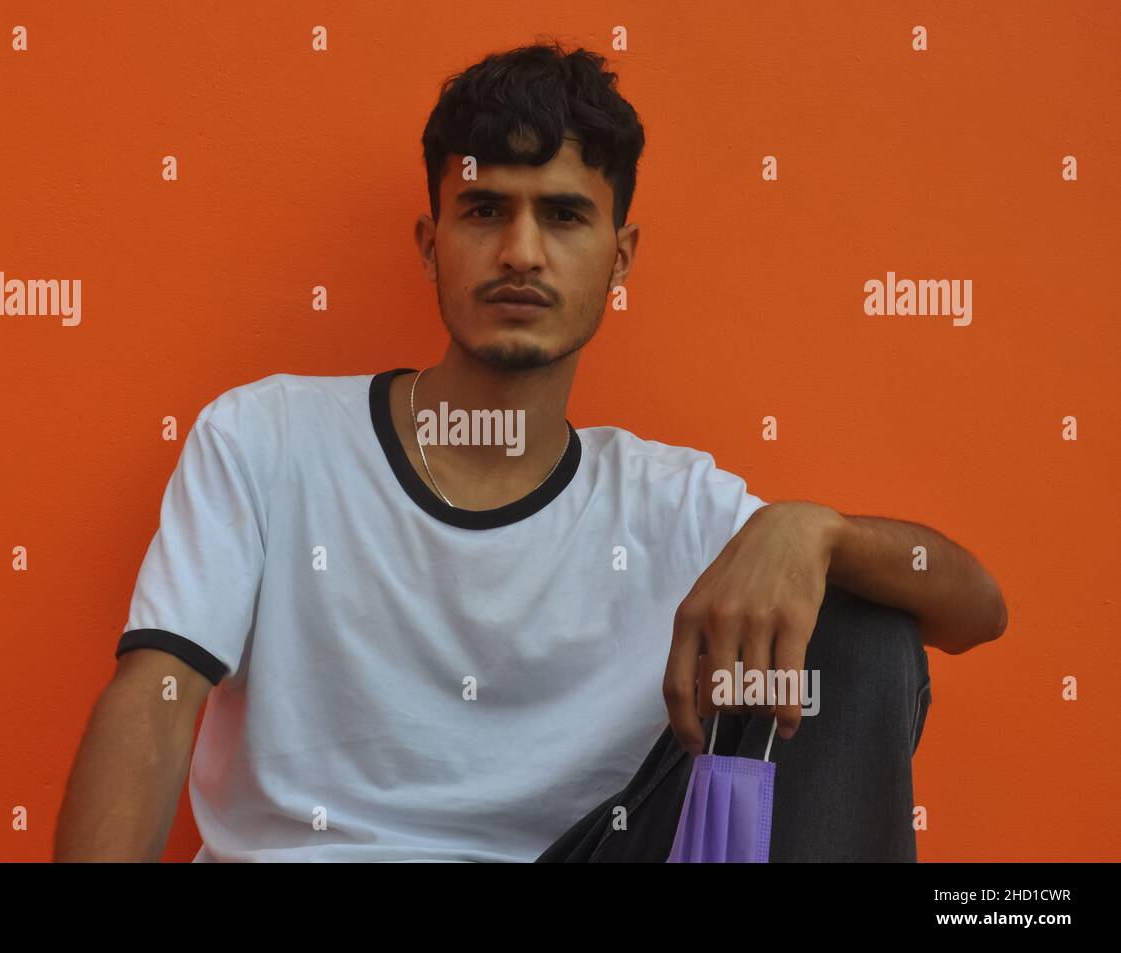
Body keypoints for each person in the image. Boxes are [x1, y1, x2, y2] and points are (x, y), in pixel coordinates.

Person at [54, 42, 1006, 863]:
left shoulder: (671, 503)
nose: (520, 250)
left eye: (562, 215)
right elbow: (157, 696)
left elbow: (976, 612)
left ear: (620, 256)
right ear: (430, 244)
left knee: (862, 638)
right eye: (482, 211)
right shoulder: (266, 437)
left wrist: (817, 531)